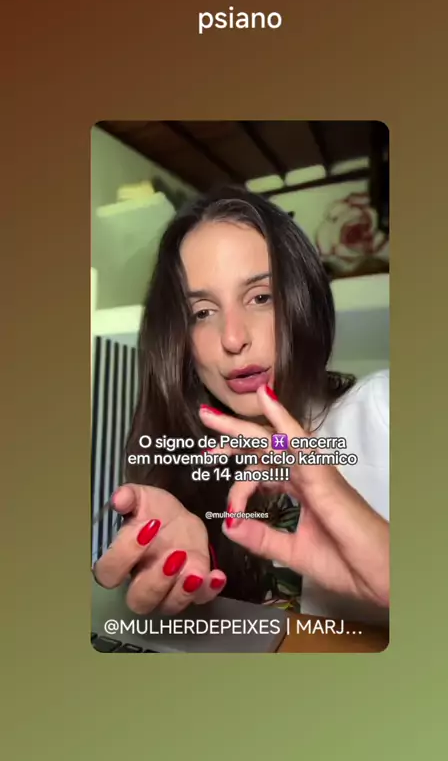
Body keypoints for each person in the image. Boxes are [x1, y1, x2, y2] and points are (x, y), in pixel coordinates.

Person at [93, 187, 389, 623]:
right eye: (202, 312)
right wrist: (184, 583)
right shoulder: (188, 467)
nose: (233, 339)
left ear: (304, 300)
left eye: (261, 297)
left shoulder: (383, 412)